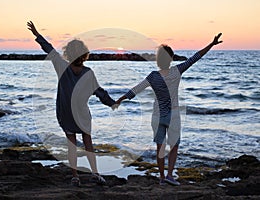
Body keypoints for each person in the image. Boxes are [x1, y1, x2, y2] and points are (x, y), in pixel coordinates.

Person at [115, 33, 223, 186]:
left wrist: (120, 99)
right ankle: (170, 175)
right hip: (173, 115)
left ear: (158, 60)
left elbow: (136, 89)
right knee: (173, 146)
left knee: (160, 147)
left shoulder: (153, 76)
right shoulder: (176, 71)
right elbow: (195, 57)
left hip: (157, 116)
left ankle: (161, 178)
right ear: (171, 58)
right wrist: (211, 44)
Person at [27, 21, 116, 186]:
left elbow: (50, 50)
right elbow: (100, 92)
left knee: (71, 144)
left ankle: (75, 176)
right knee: (88, 142)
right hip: (81, 113)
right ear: (84, 55)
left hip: (66, 112)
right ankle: (95, 173)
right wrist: (112, 103)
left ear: (68, 54)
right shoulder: (88, 73)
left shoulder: (62, 66)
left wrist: (37, 35)